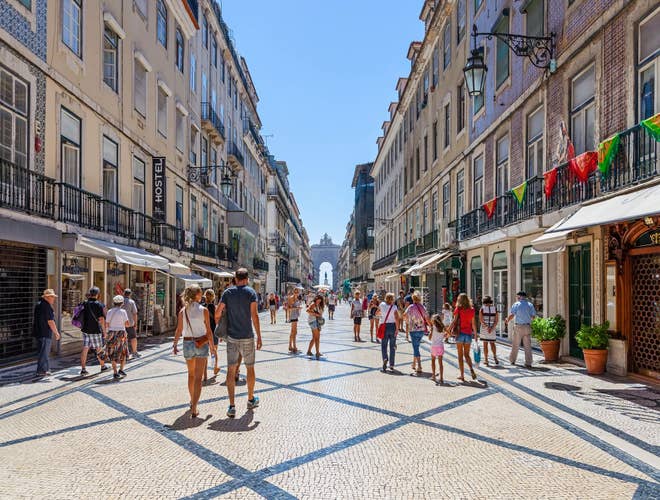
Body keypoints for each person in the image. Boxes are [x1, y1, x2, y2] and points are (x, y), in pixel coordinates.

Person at [215, 268, 262, 419]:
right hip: (247, 335)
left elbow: (217, 313)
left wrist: (221, 327)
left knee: (231, 370)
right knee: (250, 368)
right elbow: (254, 315)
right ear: (247, 279)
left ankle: (232, 406)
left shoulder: (227, 293)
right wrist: (259, 336)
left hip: (232, 337)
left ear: (235, 278)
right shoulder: (251, 293)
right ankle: (250, 399)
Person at [173, 285, 216, 418]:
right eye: (200, 293)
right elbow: (208, 330)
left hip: (187, 343)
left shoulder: (183, 311)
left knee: (191, 375)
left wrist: (174, 344)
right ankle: (195, 407)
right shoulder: (203, 310)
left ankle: (192, 401)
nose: (202, 295)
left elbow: (179, 330)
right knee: (198, 377)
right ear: (197, 295)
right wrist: (212, 346)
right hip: (201, 343)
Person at [80, 287, 108, 376]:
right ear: (98, 294)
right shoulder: (99, 305)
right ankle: (103, 366)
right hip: (95, 330)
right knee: (99, 349)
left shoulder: (85, 303)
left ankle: (83, 369)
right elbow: (101, 320)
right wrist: (104, 332)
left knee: (85, 349)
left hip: (85, 330)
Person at [505, 291, 537, 368]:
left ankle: (512, 360)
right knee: (528, 346)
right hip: (527, 326)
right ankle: (528, 362)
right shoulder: (530, 305)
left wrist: (507, 320)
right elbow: (533, 317)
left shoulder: (516, 304)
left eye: (517, 296)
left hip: (518, 327)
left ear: (519, 297)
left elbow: (512, 315)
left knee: (516, 344)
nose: (517, 298)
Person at [33, 289, 61, 377]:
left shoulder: (38, 304)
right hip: (45, 333)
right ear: (47, 297)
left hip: (39, 332)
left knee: (42, 352)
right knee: (44, 353)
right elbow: (50, 321)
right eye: (52, 297)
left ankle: (45, 369)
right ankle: (41, 371)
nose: (53, 299)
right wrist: (56, 332)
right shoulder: (47, 306)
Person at [451, 293, 478, 382]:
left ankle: (462, 375)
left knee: (460, 356)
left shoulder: (458, 309)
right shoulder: (472, 310)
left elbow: (454, 322)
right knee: (467, 355)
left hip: (460, 334)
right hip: (468, 334)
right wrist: (476, 335)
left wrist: (447, 331)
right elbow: (473, 323)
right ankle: (471, 369)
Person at [404, 292, 431, 374]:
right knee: (417, 346)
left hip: (413, 330)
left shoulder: (410, 307)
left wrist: (407, 321)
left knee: (415, 347)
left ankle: (419, 366)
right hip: (421, 329)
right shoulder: (422, 307)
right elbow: (427, 318)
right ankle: (414, 364)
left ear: (413, 299)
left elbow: (404, 315)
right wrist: (431, 326)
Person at [105, 295, 130, 380]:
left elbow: (107, 324)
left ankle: (115, 372)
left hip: (111, 333)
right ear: (122, 303)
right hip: (121, 334)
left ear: (114, 302)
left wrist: (107, 333)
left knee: (112, 352)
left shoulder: (109, 311)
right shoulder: (123, 312)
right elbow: (127, 324)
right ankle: (121, 369)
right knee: (123, 352)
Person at [378, 292, 399, 372]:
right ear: (392, 299)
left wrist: (382, 315)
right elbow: (396, 318)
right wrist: (397, 329)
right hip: (392, 326)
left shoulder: (382, 305)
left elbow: (377, 312)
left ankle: (385, 358)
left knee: (384, 345)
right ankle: (391, 364)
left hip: (384, 326)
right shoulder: (394, 307)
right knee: (392, 346)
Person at [203, 289, 220, 381]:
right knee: (214, 351)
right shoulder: (214, 307)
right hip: (213, 331)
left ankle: (204, 374)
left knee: (205, 353)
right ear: (213, 297)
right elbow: (217, 320)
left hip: (204, 332)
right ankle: (215, 367)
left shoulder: (202, 306)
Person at [479, 296, 499, 366]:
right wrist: (492, 328)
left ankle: (486, 360)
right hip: (492, 329)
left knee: (485, 344)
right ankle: (495, 357)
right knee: (492, 343)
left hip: (485, 328)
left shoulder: (482, 309)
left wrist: (487, 327)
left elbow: (481, 320)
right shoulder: (495, 309)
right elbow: (496, 320)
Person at [121, 288, 140, 359]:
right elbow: (135, 313)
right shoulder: (131, 302)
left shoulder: (120, 301)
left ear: (123, 293)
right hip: (130, 323)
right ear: (130, 294)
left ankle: (124, 353)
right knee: (133, 338)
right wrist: (136, 323)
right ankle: (134, 352)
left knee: (123, 338)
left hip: (121, 323)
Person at [306, 294, 325, 359]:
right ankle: (317, 352)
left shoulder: (319, 305)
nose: (318, 301)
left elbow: (320, 313)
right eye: (318, 300)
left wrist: (319, 315)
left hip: (316, 322)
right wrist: (316, 314)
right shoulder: (313, 304)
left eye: (320, 301)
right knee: (317, 338)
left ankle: (309, 351)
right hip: (313, 321)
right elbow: (307, 310)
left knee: (314, 338)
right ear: (316, 299)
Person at [429, 314, 446, 384]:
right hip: (440, 346)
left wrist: (430, 333)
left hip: (434, 346)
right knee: (440, 363)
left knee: (433, 361)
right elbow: (448, 334)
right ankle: (441, 378)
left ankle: (433, 376)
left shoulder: (433, 327)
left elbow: (429, 338)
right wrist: (443, 336)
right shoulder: (442, 327)